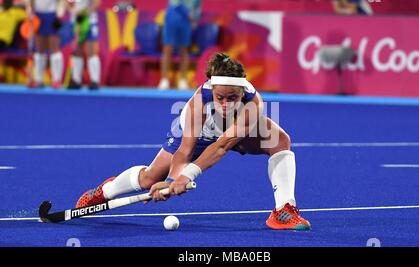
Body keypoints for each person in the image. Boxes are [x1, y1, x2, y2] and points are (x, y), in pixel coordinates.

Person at [75, 52, 311, 231]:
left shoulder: (253, 103)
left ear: (242, 93)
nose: (226, 104)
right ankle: (103, 191)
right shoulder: (198, 105)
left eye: (233, 98)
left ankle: (284, 210)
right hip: (200, 136)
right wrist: (170, 181)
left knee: (280, 140)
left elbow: (222, 146)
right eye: (220, 98)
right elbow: (185, 151)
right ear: (211, 88)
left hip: (232, 136)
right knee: (150, 178)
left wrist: (187, 177)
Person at [157, 0, 202, 91]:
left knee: (184, 50)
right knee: (167, 49)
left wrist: (195, 19)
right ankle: (164, 80)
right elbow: (175, 3)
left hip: (186, 23)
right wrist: (187, 14)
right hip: (172, 19)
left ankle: (182, 80)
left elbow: (197, 7)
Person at [26, 0, 65, 88]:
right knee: (39, 49)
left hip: (52, 15)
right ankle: (39, 79)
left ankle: (57, 80)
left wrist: (59, 13)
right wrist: (30, 12)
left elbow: (61, 1)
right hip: (38, 15)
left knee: (54, 48)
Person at [67, 0, 101, 90]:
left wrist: (85, 14)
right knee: (77, 51)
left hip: (89, 20)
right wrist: (72, 10)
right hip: (75, 21)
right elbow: (67, 3)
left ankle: (95, 81)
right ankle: (76, 80)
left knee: (91, 51)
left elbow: (96, 2)